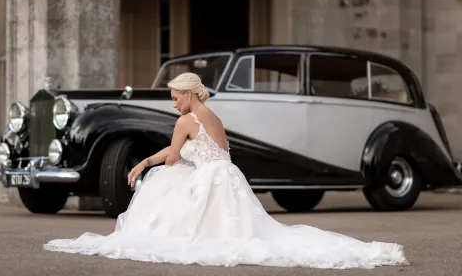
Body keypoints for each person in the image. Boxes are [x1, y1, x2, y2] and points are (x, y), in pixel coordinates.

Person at [43, 72, 409, 269]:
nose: (172, 102)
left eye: (174, 96)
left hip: (209, 178)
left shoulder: (186, 120)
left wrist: (141, 163)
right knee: (253, 233)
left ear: (189, 95)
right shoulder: (214, 117)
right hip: (229, 177)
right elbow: (219, 152)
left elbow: (172, 158)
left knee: (161, 181)